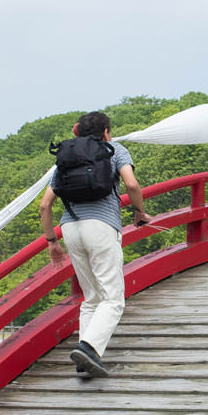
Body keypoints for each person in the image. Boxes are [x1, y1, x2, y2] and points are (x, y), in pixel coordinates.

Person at [38, 111, 151, 378]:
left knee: (91, 298)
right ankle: (89, 348)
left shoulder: (67, 157)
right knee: (113, 298)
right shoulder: (115, 150)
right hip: (100, 227)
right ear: (107, 132)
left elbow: (45, 205)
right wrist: (139, 211)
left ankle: (83, 359)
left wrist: (52, 241)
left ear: (78, 131)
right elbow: (132, 184)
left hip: (70, 228)